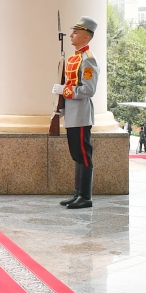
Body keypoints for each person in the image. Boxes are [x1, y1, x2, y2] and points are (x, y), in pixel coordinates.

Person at [52, 17, 99, 209]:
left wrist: (63, 90)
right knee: (76, 155)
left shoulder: (88, 60)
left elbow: (88, 90)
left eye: (76, 32)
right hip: (72, 114)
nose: (71, 35)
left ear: (86, 37)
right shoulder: (74, 58)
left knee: (83, 154)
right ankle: (78, 193)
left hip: (80, 114)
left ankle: (85, 197)